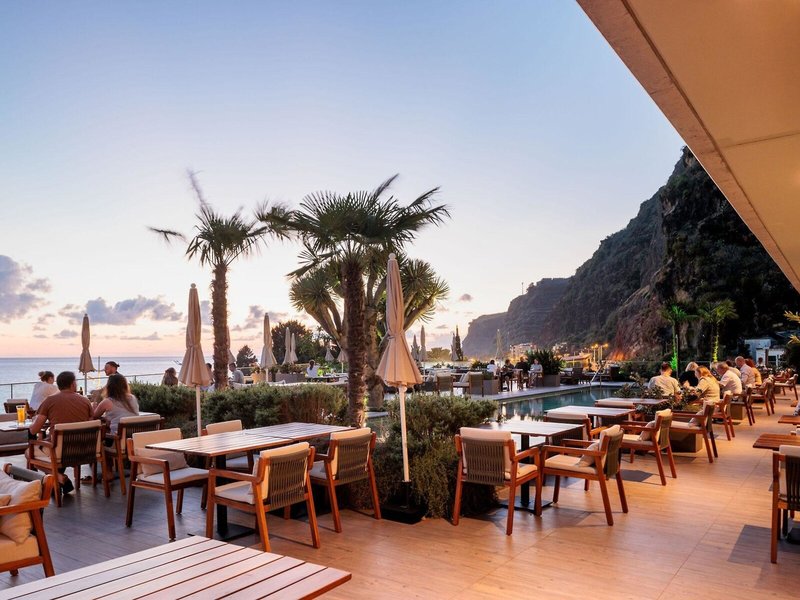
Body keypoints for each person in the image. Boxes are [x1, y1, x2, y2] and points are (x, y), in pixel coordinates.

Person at [28, 371, 93, 494]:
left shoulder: (50, 401)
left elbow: (34, 430)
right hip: (84, 450)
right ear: (73, 384)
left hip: (60, 451)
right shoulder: (85, 401)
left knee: (29, 453)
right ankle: (56, 481)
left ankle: (59, 477)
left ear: (58, 385)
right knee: (54, 449)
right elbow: (91, 424)